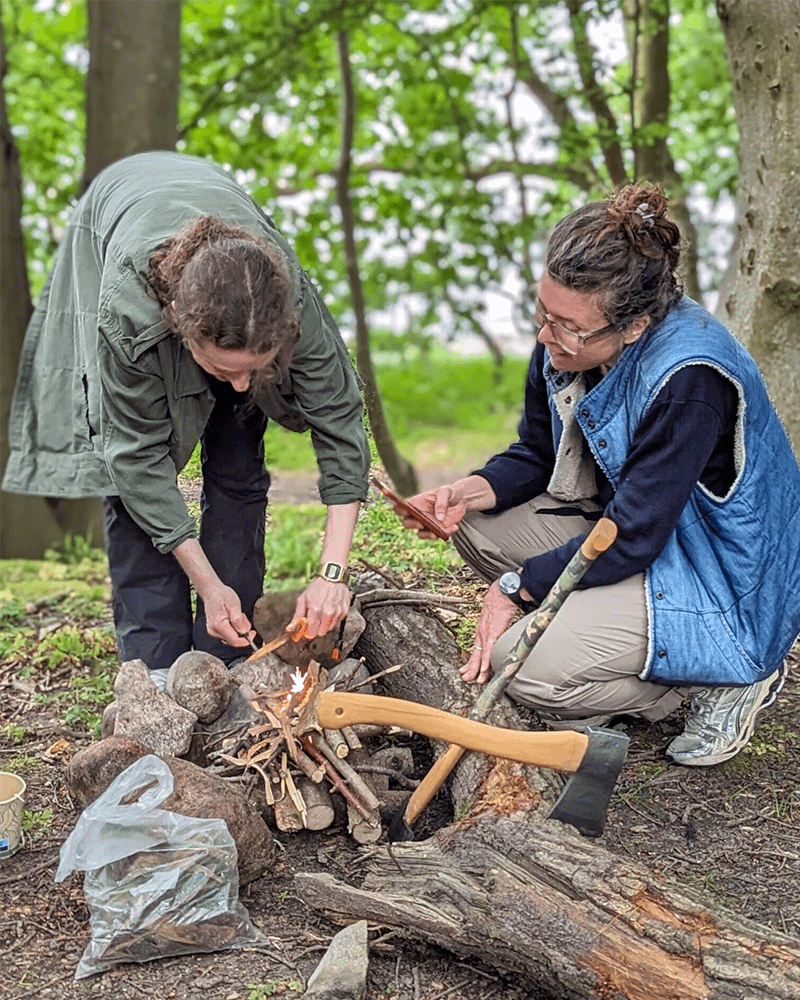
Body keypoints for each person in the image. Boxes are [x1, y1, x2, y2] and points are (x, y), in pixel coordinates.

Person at [395, 182, 800, 766]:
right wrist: (466, 491)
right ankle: (599, 634)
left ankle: (715, 677)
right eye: (543, 313)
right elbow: (537, 453)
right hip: (641, 532)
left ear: (633, 327)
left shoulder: (690, 379)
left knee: (521, 670)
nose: (544, 336)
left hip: (719, 574)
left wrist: (516, 587)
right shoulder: (567, 339)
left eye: (565, 326)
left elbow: (632, 534)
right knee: (475, 524)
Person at [3, 151, 370, 685]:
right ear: (182, 330)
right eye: (226, 369)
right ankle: (154, 667)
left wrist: (332, 575)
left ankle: (224, 659)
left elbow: (340, 425)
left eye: (256, 369)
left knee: (240, 460)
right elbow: (135, 461)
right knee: (132, 490)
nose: (243, 384)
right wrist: (205, 581)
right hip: (114, 213)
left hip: (227, 271)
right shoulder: (128, 316)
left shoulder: (282, 301)